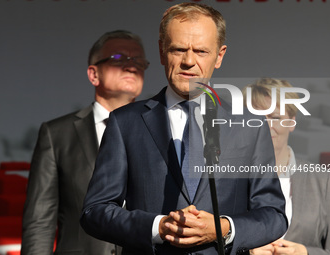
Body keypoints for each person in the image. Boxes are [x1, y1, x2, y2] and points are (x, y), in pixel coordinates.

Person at [80, 3, 287, 255]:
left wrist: (223, 228)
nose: (189, 61)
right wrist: (158, 227)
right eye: (178, 49)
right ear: (161, 51)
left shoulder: (249, 126)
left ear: (219, 56)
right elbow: (95, 211)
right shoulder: (126, 123)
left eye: (200, 51)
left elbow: (273, 214)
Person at [21, 30, 148, 255]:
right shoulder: (56, 134)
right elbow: (40, 222)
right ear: (93, 74)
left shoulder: (160, 129)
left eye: (138, 60)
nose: (131, 66)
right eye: (118, 58)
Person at [242, 78, 330, 255]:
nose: (266, 126)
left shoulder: (322, 179)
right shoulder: (224, 179)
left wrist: (306, 252)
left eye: (275, 117)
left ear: (292, 122)